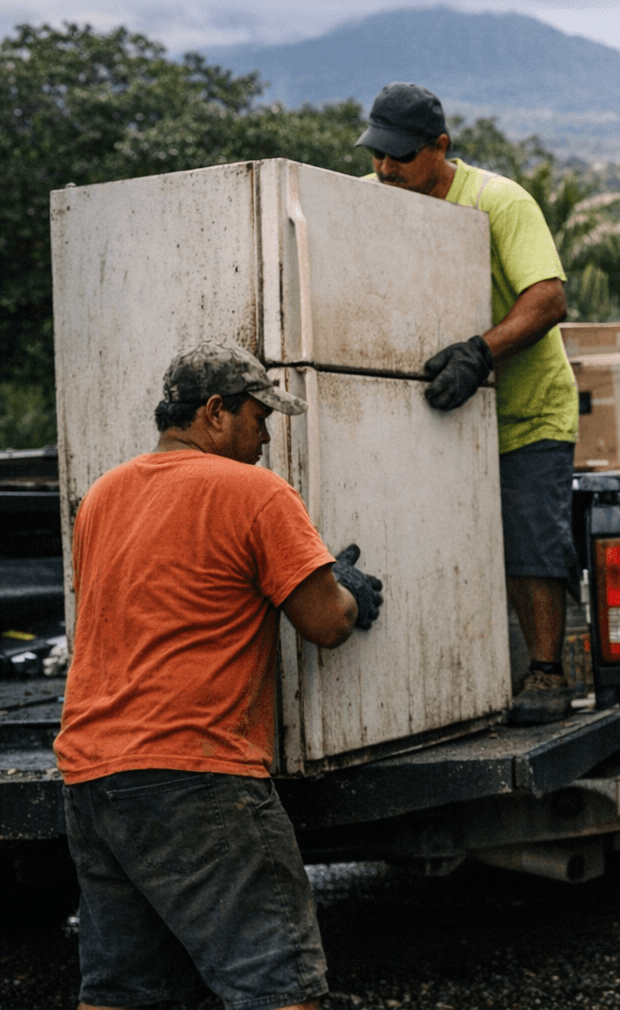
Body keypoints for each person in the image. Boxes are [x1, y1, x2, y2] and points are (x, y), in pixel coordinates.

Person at [54, 342, 383, 1010]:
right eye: (258, 417)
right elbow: (324, 622)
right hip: (196, 774)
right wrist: (345, 588)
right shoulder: (256, 492)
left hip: (92, 779)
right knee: (277, 985)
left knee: (119, 990)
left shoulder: (100, 498)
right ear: (213, 412)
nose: (266, 435)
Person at [356, 81, 579, 710]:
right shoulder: (369, 200)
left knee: (529, 541)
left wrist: (481, 353)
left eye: (399, 155)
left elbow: (548, 299)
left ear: (441, 148)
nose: (384, 167)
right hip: (435, 409)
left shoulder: (497, 201)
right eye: (377, 154)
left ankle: (545, 672)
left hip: (525, 409)